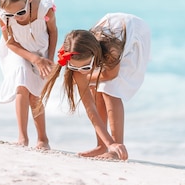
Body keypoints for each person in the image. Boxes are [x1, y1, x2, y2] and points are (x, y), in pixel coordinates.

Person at [41, 12, 151, 160]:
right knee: (96, 88)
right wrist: (83, 77)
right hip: (111, 26)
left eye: (86, 67)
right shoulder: (74, 54)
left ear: (95, 56)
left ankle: (116, 148)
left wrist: (86, 78)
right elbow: (90, 108)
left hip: (134, 31)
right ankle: (102, 145)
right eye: (75, 68)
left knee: (110, 89)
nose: (80, 71)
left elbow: (111, 75)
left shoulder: (112, 50)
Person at [0, 0, 57, 150]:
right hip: (17, 50)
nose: (16, 18)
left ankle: (43, 138)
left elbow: (53, 31)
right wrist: (32, 59)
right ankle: (22, 137)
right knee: (21, 83)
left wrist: (49, 59)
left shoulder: (44, 9)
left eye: (20, 13)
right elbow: (11, 43)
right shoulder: (3, 16)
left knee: (35, 94)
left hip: (41, 51)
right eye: (10, 14)